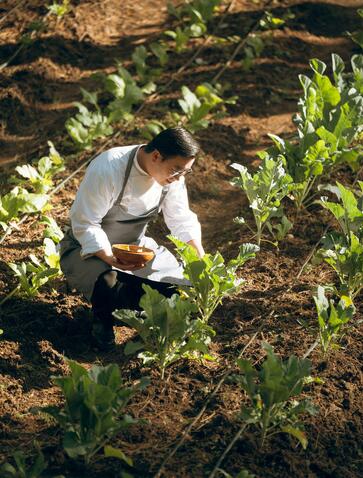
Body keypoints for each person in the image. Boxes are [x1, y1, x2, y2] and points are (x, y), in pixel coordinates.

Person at [59, 127, 205, 350]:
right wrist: (109, 257)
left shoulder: (172, 177)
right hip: (86, 251)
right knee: (109, 283)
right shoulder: (109, 167)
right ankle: (102, 326)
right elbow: (85, 222)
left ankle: (138, 312)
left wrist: (199, 257)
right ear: (156, 156)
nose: (179, 179)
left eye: (185, 172)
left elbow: (181, 218)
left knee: (181, 286)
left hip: (135, 249)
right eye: (177, 171)